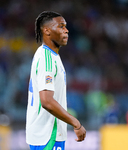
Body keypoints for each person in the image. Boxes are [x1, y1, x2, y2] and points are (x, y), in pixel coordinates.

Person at [26, 11, 86, 150]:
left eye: (65, 26)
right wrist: (76, 123)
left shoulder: (52, 56)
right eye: (61, 26)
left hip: (49, 134)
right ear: (47, 31)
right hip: (48, 134)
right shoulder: (46, 58)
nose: (66, 30)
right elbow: (46, 101)